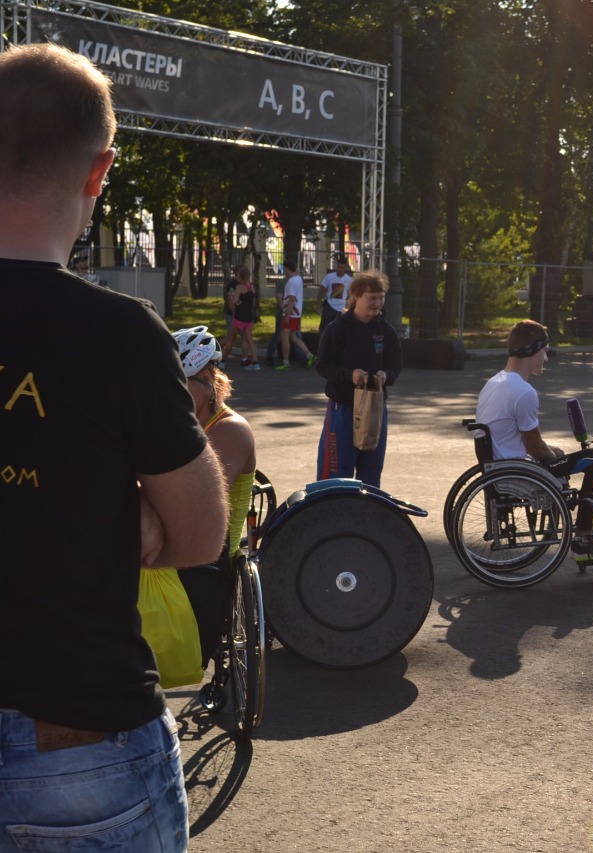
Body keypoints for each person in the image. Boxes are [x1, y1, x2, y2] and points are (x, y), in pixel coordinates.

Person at [0, 42, 226, 852]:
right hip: (79, 740)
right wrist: (114, 504)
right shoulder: (121, 335)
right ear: (100, 170)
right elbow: (199, 535)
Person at [476, 320, 593, 562]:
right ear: (532, 350)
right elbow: (535, 448)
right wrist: (553, 455)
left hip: (498, 468)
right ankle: (584, 536)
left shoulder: (494, 382)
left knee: (563, 457)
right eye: (545, 352)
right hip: (517, 473)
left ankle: (583, 534)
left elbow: (520, 438)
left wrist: (550, 451)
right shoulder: (523, 392)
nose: (546, 359)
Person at [170, 328, 257, 664]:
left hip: (207, 551)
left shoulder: (230, 429)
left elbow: (200, 499)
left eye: (180, 383)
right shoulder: (183, 422)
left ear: (207, 379)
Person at [315, 270, 403, 488]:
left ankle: (367, 509)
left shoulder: (386, 330)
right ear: (356, 296)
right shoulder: (337, 329)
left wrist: (386, 375)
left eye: (381, 298)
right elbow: (323, 366)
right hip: (343, 408)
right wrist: (350, 375)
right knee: (337, 472)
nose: (377, 303)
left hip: (375, 408)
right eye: (372, 298)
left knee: (371, 472)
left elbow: (396, 366)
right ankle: (333, 507)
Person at [276, 259, 316, 371]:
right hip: (297, 313)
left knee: (285, 336)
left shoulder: (291, 282)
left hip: (291, 313)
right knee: (293, 336)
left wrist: (287, 314)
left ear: (287, 269)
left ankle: (286, 362)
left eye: (285, 269)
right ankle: (309, 355)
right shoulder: (298, 279)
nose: (284, 272)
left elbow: (291, 299)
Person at [220, 264, 260, 370]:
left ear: (240, 277)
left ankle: (222, 361)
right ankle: (255, 363)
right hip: (248, 317)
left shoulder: (239, 287)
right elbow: (253, 302)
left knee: (230, 339)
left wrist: (232, 297)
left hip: (239, 317)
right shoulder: (251, 288)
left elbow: (234, 301)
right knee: (249, 340)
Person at [317, 256, 352, 334]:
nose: (340, 269)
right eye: (339, 267)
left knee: (339, 331)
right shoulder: (329, 277)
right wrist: (318, 305)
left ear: (345, 268)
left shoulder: (349, 280)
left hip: (341, 309)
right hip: (329, 306)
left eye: (342, 267)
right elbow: (321, 291)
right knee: (324, 330)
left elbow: (351, 295)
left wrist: (347, 307)